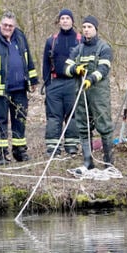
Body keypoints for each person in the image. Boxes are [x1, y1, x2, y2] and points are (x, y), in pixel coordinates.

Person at [0, 11, 39, 164]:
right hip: (0, 90)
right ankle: (1, 153)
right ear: (0, 24)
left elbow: (28, 59)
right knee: (0, 121)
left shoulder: (20, 37)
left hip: (20, 88)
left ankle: (19, 150)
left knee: (20, 120)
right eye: (5, 25)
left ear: (14, 26)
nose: (8, 28)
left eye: (11, 25)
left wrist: (33, 79)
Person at [64, 15, 114, 169]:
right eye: (84, 27)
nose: (86, 30)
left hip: (98, 94)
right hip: (81, 93)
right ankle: (88, 161)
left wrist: (90, 79)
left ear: (96, 29)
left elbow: (103, 69)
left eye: (89, 27)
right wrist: (75, 69)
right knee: (83, 126)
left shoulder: (104, 48)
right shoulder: (77, 49)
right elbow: (66, 68)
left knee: (104, 126)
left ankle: (108, 162)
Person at [42, 8, 81, 156]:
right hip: (55, 83)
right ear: (59, 21)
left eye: (67, 18)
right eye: (62, 18)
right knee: (53, 116)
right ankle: (53, 147)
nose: (65, 20)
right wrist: (47, 84)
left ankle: (71, 146)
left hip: (73, 83)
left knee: (73, 116)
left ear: (72, 21)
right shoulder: (51, 41)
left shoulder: (80, 40)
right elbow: (45, 64)